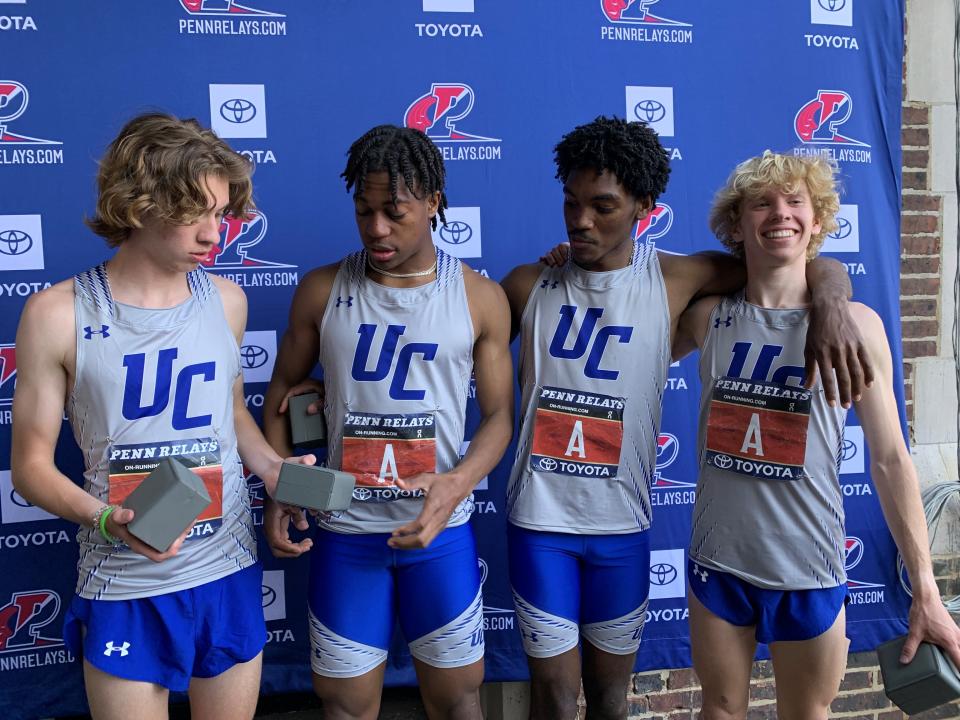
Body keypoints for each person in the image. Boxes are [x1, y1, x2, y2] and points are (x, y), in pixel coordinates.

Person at [500, 117, 868, 720]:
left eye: (602, 206)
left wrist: (831, 296)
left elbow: (785, 263)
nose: (580, 220)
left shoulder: (675, 278)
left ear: (645, 206)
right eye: (571, 203)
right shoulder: (526, 284)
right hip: (539, 520)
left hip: (622, 524)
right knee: (557, 702)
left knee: (614, 700)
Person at [10, 112, 313, 720]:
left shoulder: (227, 300)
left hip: (225, 568)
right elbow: (30, 468)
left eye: (222, 214)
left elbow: (231, 419)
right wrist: (106, 520)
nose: (214, 234)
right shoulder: (56, 313)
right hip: (125, 584)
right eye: (194, 212)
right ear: (138, 201)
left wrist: (276, 471)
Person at [672, 150, 960, 720]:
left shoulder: (859, 327)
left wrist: (924, 586)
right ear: (737, 224)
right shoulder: (705, 319)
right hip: (719, 562)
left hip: (807, 567)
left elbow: (889, 460)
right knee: (719, 710)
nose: (780, 213)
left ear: (819, 220)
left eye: (795, 202)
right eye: (762, 203)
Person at [261, 124, 514, 720]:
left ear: (433, 202)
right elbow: (281, 392)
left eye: (394, 212)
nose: (376, 228)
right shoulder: (321, 289)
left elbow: (501, 416)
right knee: (345, 707)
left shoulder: (479, 297)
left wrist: (457, 484)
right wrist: (282, 491)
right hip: (346, 533)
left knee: (458, 702)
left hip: (439, 534)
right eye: (364, 210)